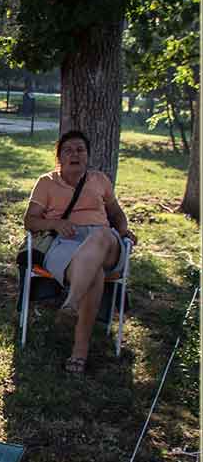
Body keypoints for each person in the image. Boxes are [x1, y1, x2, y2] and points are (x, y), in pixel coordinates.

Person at [24, 130, 137, 374]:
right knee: (94, 274)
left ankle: (72, 302)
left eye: (80, 150)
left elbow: (116, 214)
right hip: (66, 242)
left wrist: (124, 231)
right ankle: (80, 351)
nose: (74, 154)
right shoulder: (46, 182)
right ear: (59, 158)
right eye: (68, 150)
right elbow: (30, 221)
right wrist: (54, 223)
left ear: (87, 155)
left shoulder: (100, 180)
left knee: (100, 235)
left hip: (106, 244)